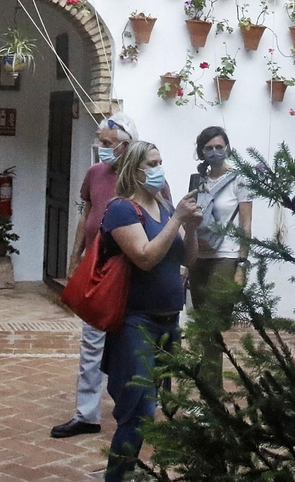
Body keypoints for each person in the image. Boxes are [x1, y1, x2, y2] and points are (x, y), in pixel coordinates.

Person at [52, 113, 169, 439]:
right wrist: (76, 254)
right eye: (100, 142)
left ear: (126, 145)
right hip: (100, 271)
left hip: (136, 276)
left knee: (136, 347)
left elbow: (165, 222)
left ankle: (140, 409)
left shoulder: (150, 178)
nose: (101, 149)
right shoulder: (94, 173)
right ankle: (86, 414)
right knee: (91, 343)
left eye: (107, 144)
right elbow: (86, 213)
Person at [98, 140, 200, 482]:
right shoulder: (122, 210)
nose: (158, 170)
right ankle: (117, 475)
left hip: (169, 320)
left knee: (154, 406)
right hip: (135, 322)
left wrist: (193, 229)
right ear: (135, 169)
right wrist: (178, 222)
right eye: (151, 164)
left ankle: (127, 472)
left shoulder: (167, 207)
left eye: (160, 162)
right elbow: (144, 256)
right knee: (138, 409)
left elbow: (188, 260)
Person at [186, 126, 251, 383]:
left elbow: (246, 225)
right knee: (202, 324)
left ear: (227, 148)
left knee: (212, 323)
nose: (214, 152)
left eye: (219, 147)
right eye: (209, 148)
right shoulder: (197, 180)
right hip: (199, 256)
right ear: (201, 151)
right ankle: (209, 386)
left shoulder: (239, 180)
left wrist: (242, 265)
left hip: (226, 255)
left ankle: (210, 390)